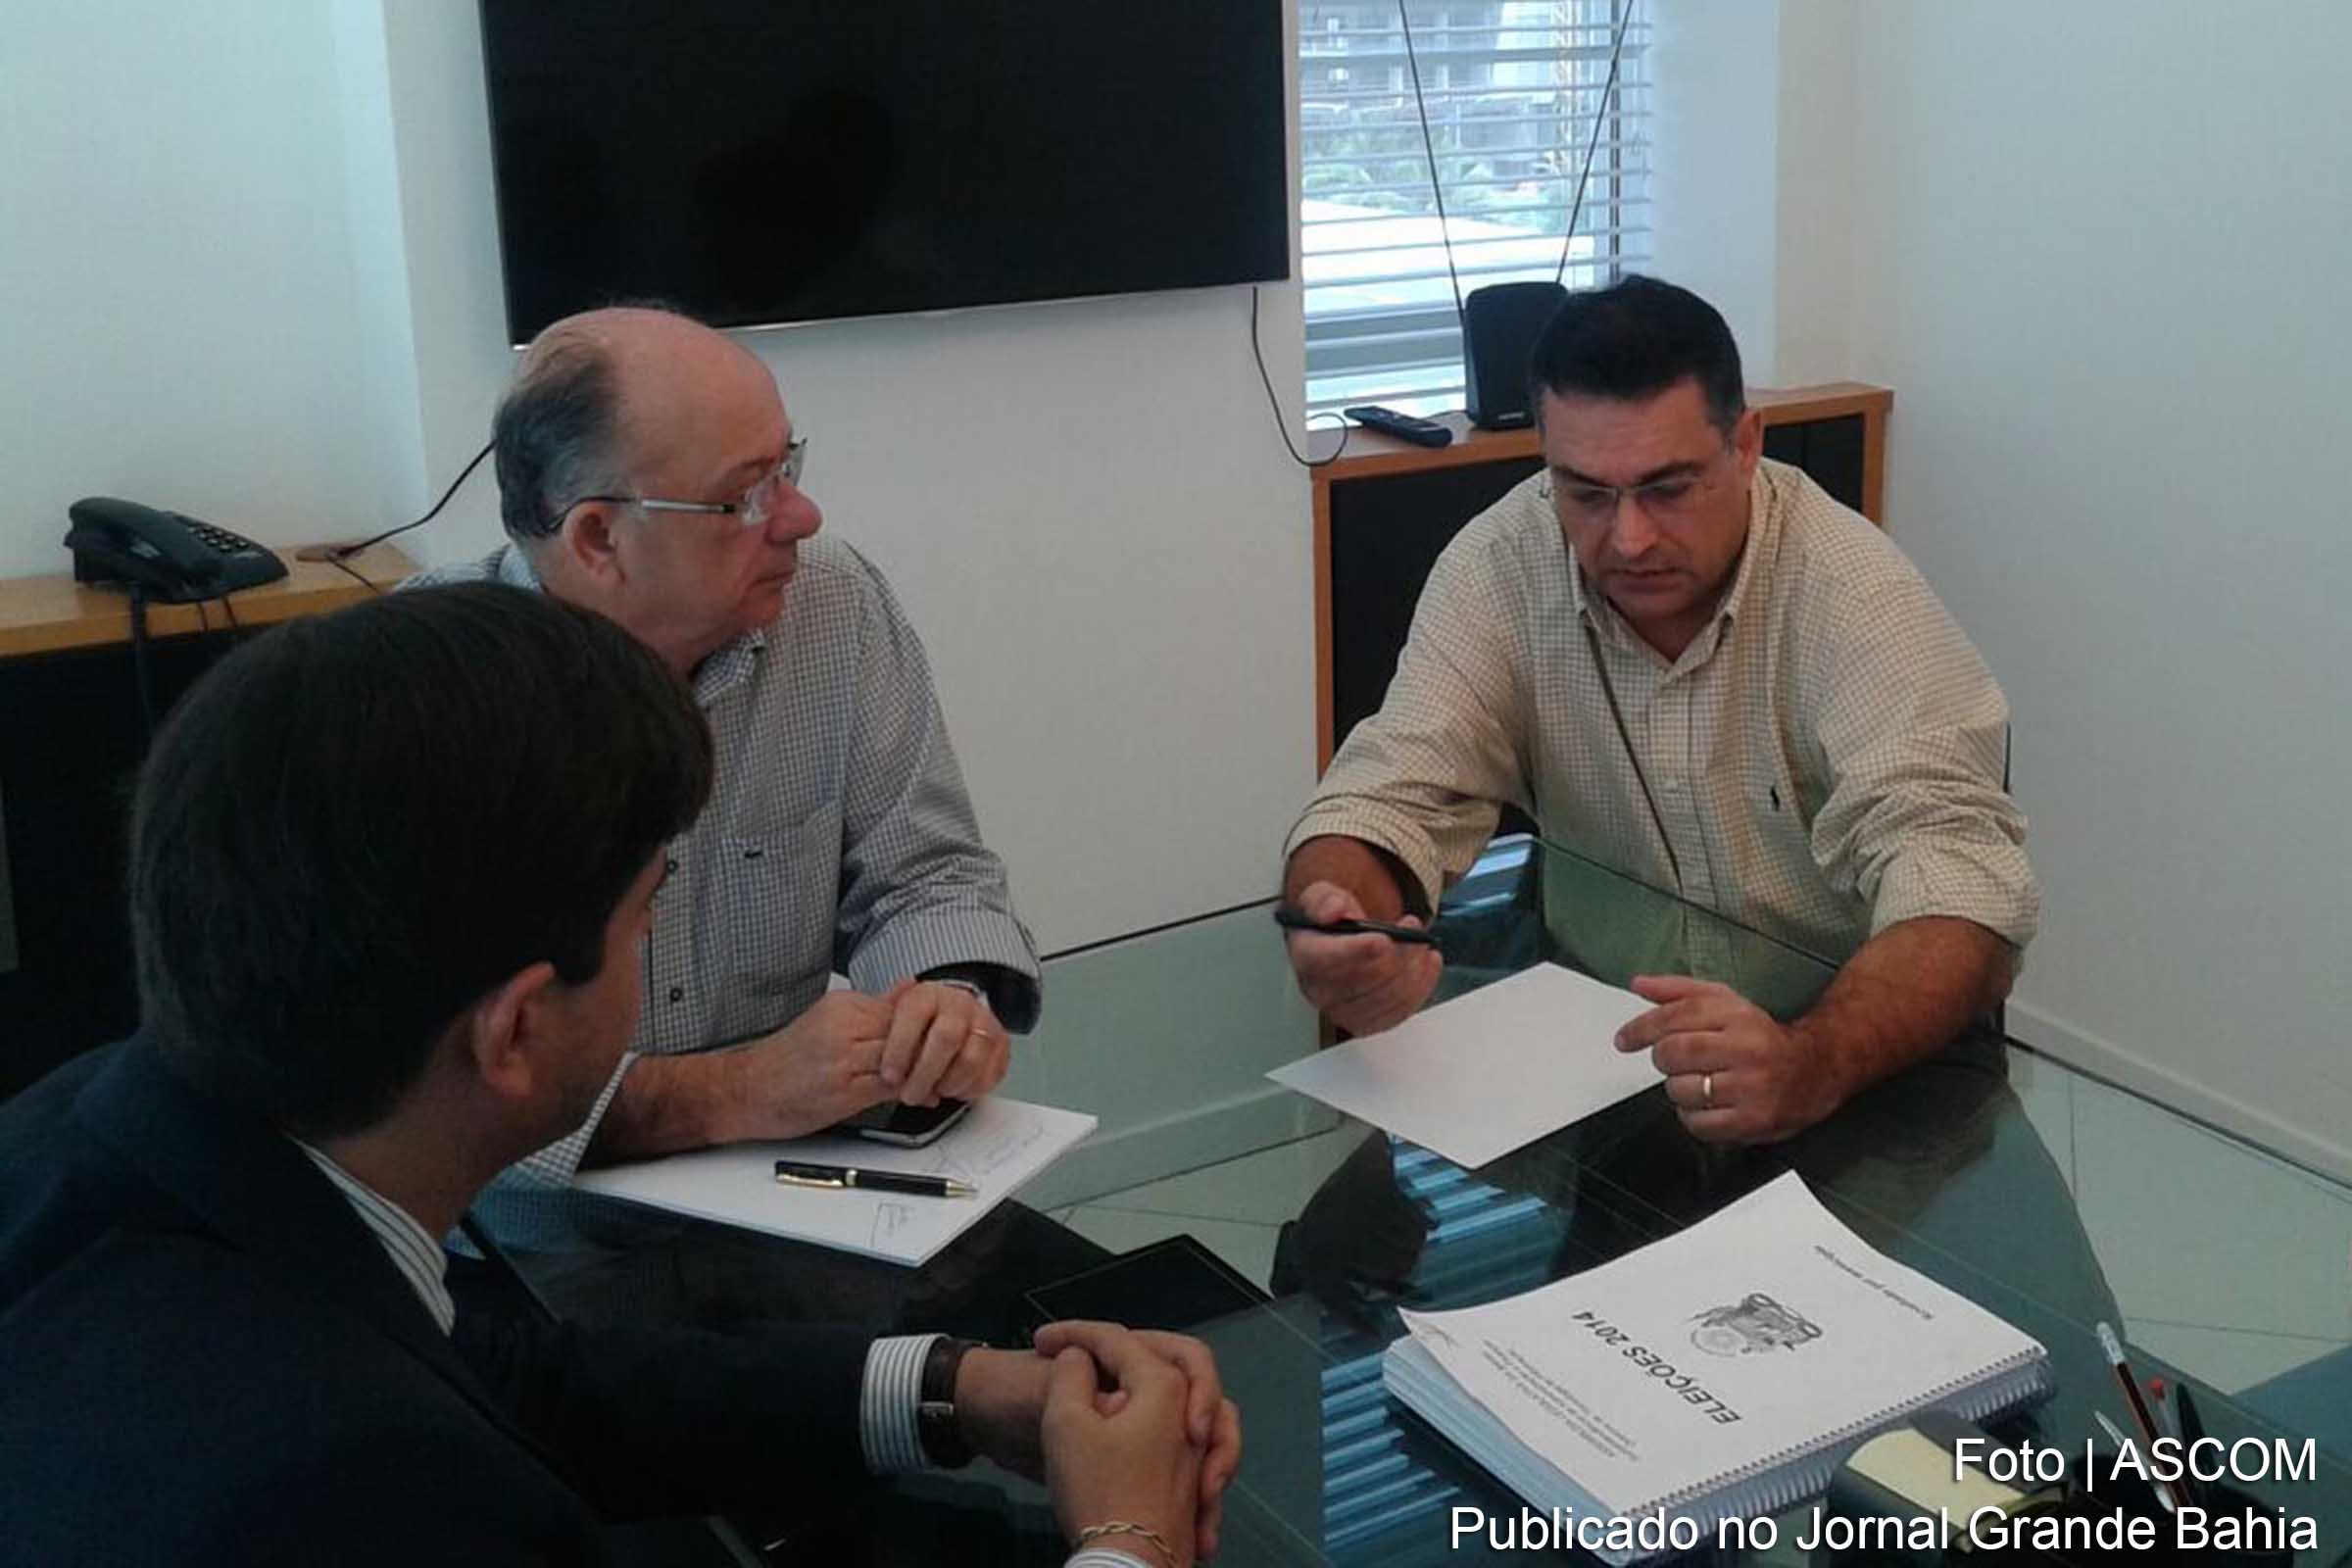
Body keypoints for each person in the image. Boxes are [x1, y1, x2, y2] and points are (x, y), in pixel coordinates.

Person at [0, 584, 1238, 1567]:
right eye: (650, 916)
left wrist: (959, 1390)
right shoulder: (333, 1492)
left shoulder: (113, 1134)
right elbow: (416, 1434)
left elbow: (504, 1373)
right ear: (519, 1029)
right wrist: (1128, 1541)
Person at [1282, 275, 2036, 1146]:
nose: (1629, 539)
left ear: (1747, 443)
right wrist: (1341, 913)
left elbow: (1958, 875)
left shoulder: (1850, 592)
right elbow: (1391, 790)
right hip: (1604, 1051)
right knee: (1336, 1257)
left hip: (1851, 1054)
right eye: (1587, 494)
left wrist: (1812, 1061)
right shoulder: (1501, 562)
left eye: (1669, 489)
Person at [410, 306, 1038, 1190]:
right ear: (598, 538)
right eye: (747, 493)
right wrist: (722, 1096)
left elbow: (926, 874)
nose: (802, 516)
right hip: (528, 1244)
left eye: (790, 466)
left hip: (798, 1188)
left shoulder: (832, 607)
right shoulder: (420, 701)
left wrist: (942, 1000)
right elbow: (416, 1097)